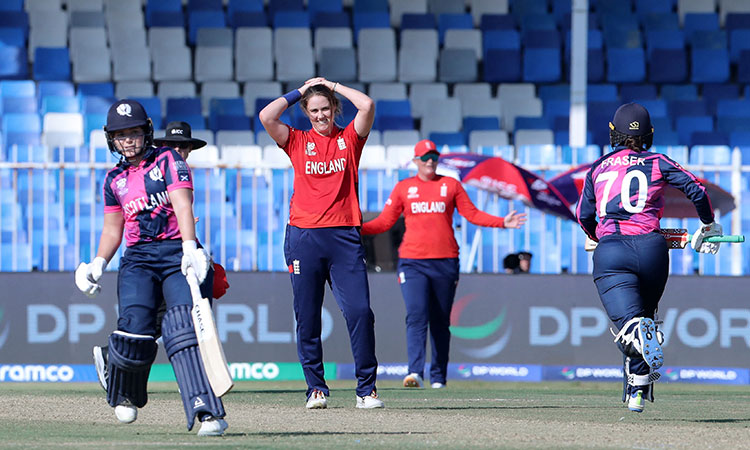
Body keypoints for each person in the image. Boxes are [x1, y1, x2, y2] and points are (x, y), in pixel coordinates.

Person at [74, 101, 228, 436]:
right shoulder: (114, 178)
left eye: (132, 132)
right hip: (138, 259)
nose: (127, 140)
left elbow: (183, 203)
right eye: (119, 135)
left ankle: (206, 412)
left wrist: (190, 248)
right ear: (111, 139)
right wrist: (98, 263)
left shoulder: (168, 159)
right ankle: (123, 388)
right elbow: (113, 228)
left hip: (175, 253)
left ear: (145, 132)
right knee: (134, 328)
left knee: (181, 327)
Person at [576, 103, 722, 413]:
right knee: (644, 319)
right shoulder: (658, 161)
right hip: (653, 250)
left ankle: (637, 355)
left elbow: (583, 215)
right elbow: (697, 191)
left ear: (613, 134)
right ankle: (638, 391)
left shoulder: (599, 167)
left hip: (613, 250)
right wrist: (707, 225)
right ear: (650, 135)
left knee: (629, 325)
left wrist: (596, 236)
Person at [259, 77, 384, 409]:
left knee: (359, 312)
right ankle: (316, 388)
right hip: (304, 237)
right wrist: (301, 91)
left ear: (333, 108)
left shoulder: (349, 139)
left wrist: (331, 84)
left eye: (325, 108)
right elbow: (267, 116)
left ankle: (366, 389)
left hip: (344, 236)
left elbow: (368, 105)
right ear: (306, 112)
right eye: (313, 110)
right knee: (308, 316)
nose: (320, 115)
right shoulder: (297, 140)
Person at [361, 139, 527, 389]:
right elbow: (385, 222)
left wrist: (502, 221)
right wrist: (356, 227)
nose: (430, 161)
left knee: (440, 319)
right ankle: (415, 372)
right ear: (415, 161)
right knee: (416, 314)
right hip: (412, 262)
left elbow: (472, 214)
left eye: (434, 157)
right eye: (425, 157)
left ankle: (438, 377)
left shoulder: (450, 185)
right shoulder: (403, 188)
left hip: (445, 261)